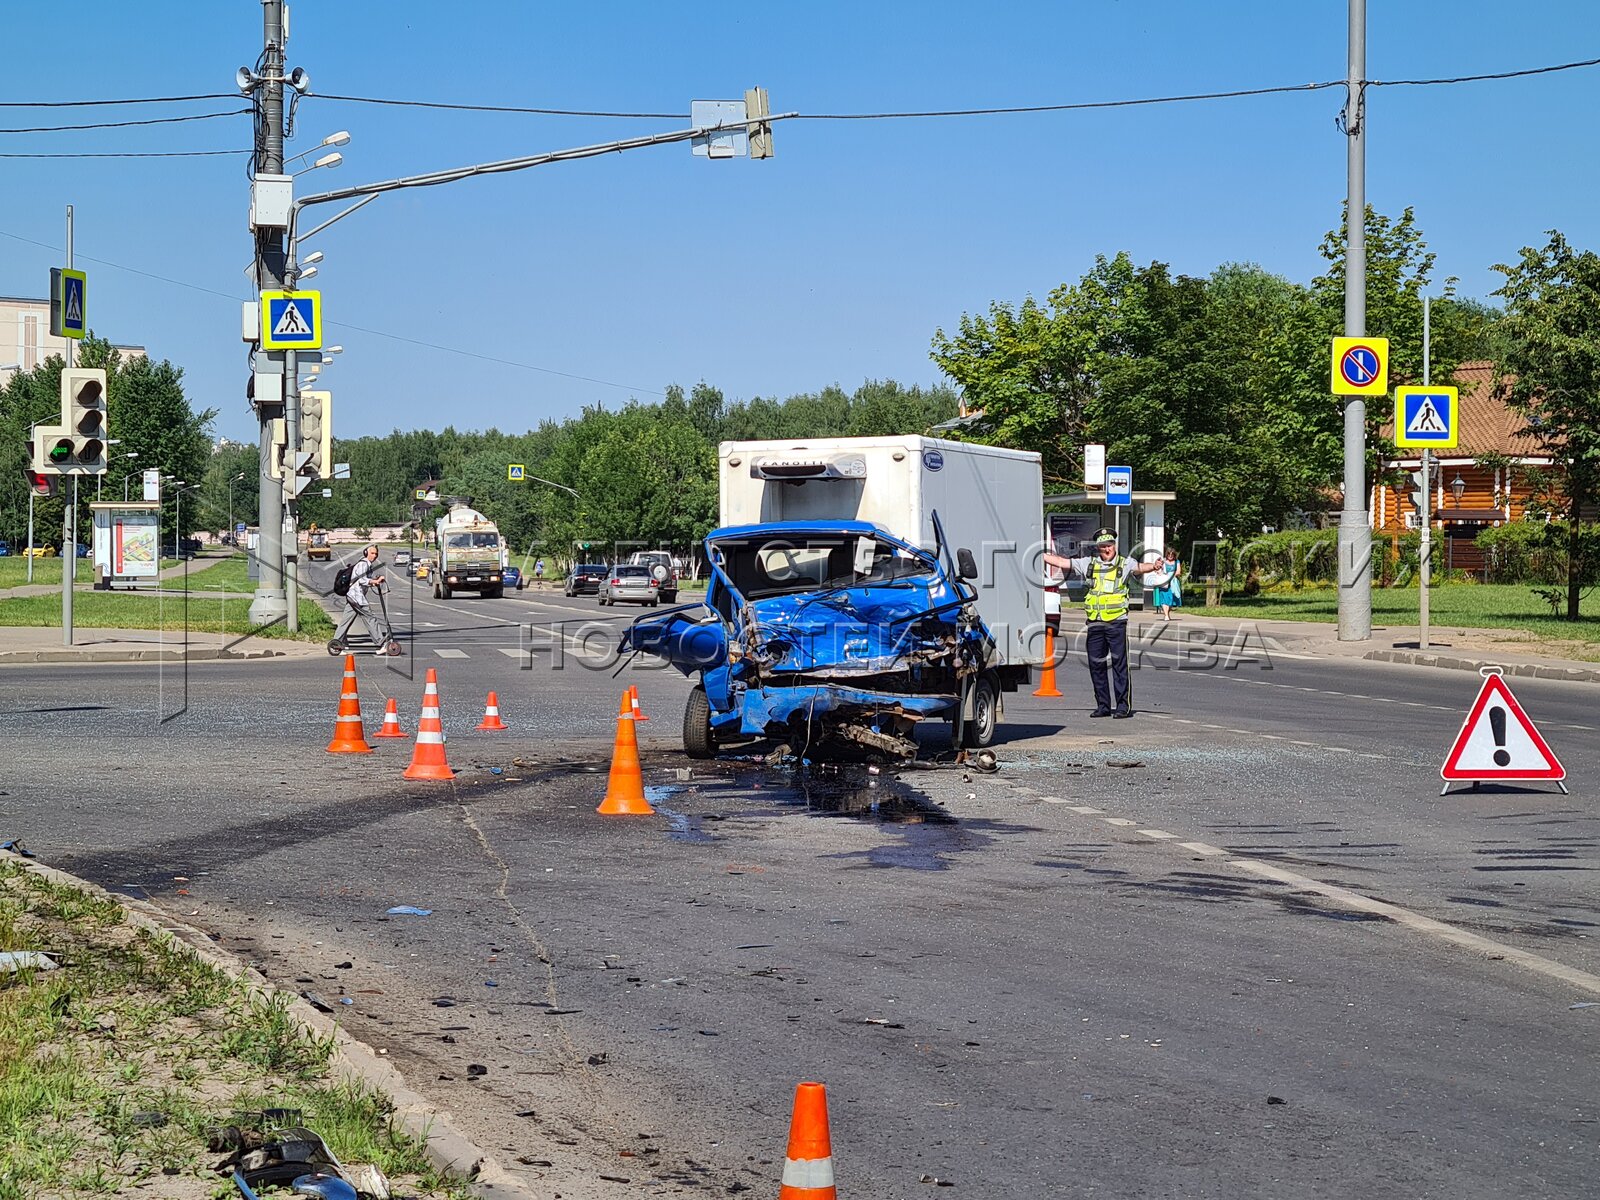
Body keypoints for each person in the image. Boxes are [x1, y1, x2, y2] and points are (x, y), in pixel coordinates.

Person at [1043, 528, 1165, 718]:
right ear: (1098, 547)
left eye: (1109, 545)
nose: (1106, 549)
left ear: (1114, 545)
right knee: (1096, 665)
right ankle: (1103, 706)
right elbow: (1061, 562)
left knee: (1119, 665)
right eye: (1102, 546)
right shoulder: (1089, 564)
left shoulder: (1124, 563)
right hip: (1095, 623)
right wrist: (1039, 555)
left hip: (1117, 622)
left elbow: (1141, 567)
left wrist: (1155, 566)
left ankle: (1123, 706)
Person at [333, 544, 392, 655]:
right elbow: (361, 580)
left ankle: (337, 643)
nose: (374, 556)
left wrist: (375, 581)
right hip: (357, 597)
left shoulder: (367, 565)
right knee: (370, 618)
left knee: (346, 621)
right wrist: (374, 581)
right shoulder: (363, 564)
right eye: (372, 553)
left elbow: (365, 580)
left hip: (353, 597)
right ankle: (380, 643)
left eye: (376, 554)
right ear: (366, 553)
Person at [1150, 546, 1183, 621]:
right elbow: (1156, 569)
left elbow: (1178, 572)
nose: (1170, 556)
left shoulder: (1177, 561)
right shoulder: (1163, 561)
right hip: (1164, 583)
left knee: (1171, 599)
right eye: (1169, 554)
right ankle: (1166, 615)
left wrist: (1170, 576)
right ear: (1166, 554)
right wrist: (1160, 573)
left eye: (1172, 555)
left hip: (1173, 583)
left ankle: (1167, 613)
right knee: (1164, 598)